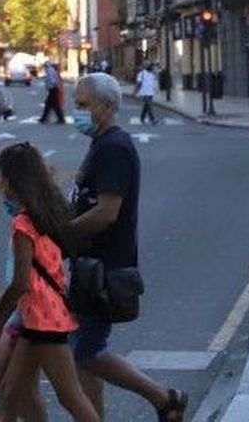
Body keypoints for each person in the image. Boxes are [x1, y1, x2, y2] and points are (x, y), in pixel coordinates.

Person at [69, 73, 189, 420]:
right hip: (88, 266)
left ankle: (165, 398)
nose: (76, 112)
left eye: (82, 105)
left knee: (86, 353)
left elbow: (107, 212)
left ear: (106, 107)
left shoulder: (114, 148)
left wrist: (65, 233)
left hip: (102, 269)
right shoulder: (101, 144)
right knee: (84, 357)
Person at [0, 142, 100, 422]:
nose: (0, 184)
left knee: (70, 396)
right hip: (37, 318)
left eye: (2, 177)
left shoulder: (23, 223)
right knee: (10, 391)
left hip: (45, 319)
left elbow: (21, 283)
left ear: (13, 180)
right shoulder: (46, 213)